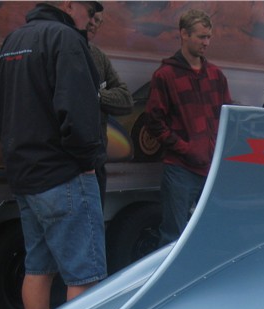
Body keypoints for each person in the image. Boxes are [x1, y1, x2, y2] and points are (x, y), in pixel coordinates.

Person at [0, 0, 107, 309]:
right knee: (84, 275)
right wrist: (87, 161)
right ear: (70, 4)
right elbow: (79, 111)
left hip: (26, 177)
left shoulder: (13, 41)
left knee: (38, 269)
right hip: (64, 176)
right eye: (91, 8)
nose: (94, 16)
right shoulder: (67, 39)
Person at [146, 9, 231, 246]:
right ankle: (170, 283)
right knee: (173, 236)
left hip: (211, 169)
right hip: (180, 169)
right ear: (184, 34)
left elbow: (227, 118)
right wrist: (184, 147)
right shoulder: (165, 75)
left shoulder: (216, 76)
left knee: (210, 231)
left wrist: (217, 151)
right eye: (201, 37)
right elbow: (154, 121)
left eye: (208, 37)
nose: (206, 42)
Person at [86, 5, 133, 205]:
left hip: (96, 162)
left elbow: (126, 100)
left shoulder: (98, 56)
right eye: (91, 17)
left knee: (94, 229)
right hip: (66, 166)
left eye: (98, 21)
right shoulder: (61, 49)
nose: (93, 24)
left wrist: (96, 96)